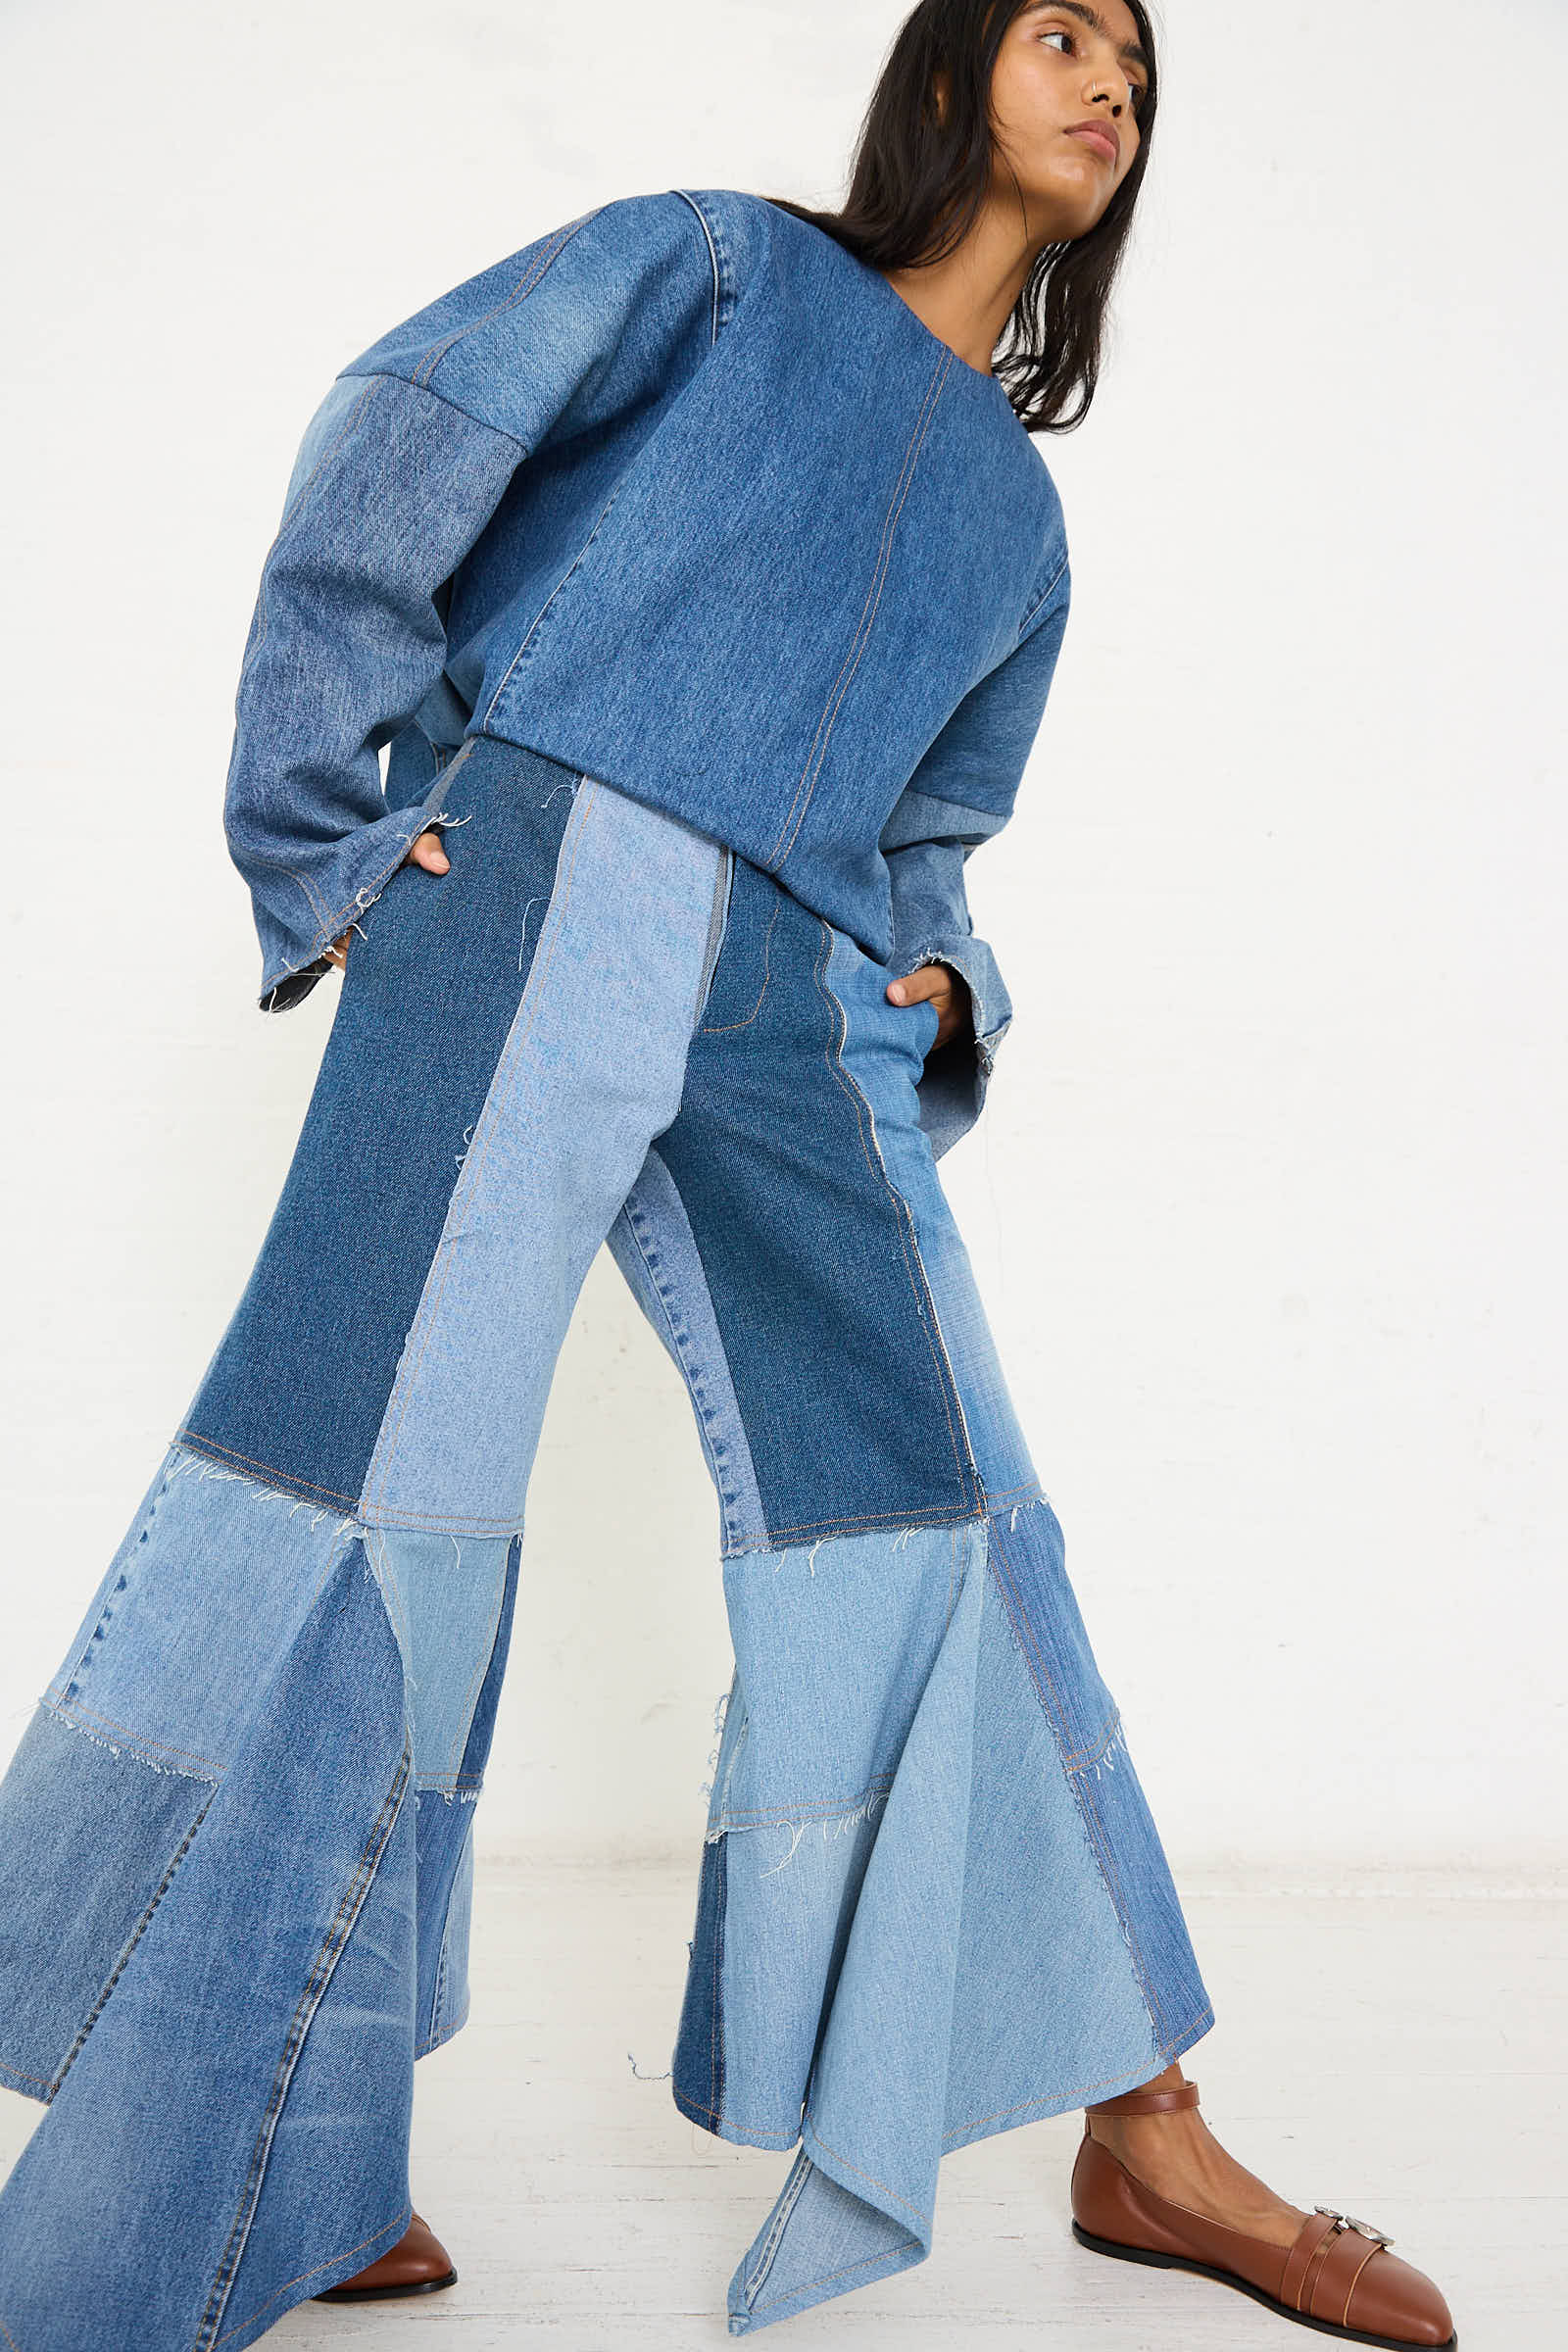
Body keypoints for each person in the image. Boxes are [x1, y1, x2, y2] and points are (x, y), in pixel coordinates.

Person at [0, 4, 1456, 2347]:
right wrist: (327, 832)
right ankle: (280, 2147)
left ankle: (1142, 2130)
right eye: (1066, 35)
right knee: (382, 1504)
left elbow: (936, 835)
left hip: (794, 997)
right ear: (955, 63)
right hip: (525, 881)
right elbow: (405, 415)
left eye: (1140, 74)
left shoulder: (1019, 516)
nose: (1111, 88)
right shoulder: (703, 269)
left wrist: (943, 980)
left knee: (954, 1498)